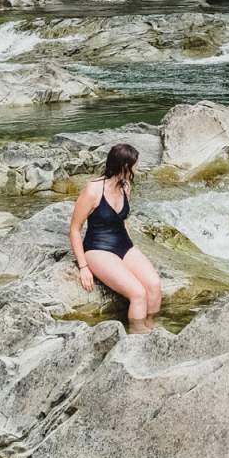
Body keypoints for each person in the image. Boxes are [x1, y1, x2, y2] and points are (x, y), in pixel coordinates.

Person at [68, 141, 162, 329]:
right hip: (98, 249)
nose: (138, 168)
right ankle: (137, 338)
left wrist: (131, 250)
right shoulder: (92, 190)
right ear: (124, 167)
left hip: (124, 245)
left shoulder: (126, 186)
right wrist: (83, 266)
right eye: (135, 165)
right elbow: (74, 229)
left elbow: (122, 220)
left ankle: (151, 330)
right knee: (138, 294)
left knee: (154, 285)